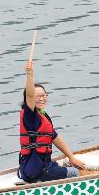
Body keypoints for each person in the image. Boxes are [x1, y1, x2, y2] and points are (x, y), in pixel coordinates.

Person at [18, 55, 84, 183]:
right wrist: (30, 75)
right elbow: (30, 95)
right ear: (29, 99)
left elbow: (54, 137)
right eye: (38, 96)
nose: (42, 98)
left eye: (44, 95)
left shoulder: (42, 117)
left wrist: (71, 157)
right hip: (38, 171)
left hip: (40, 167)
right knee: (76, 172)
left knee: (64, 165)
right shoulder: (30, 115)